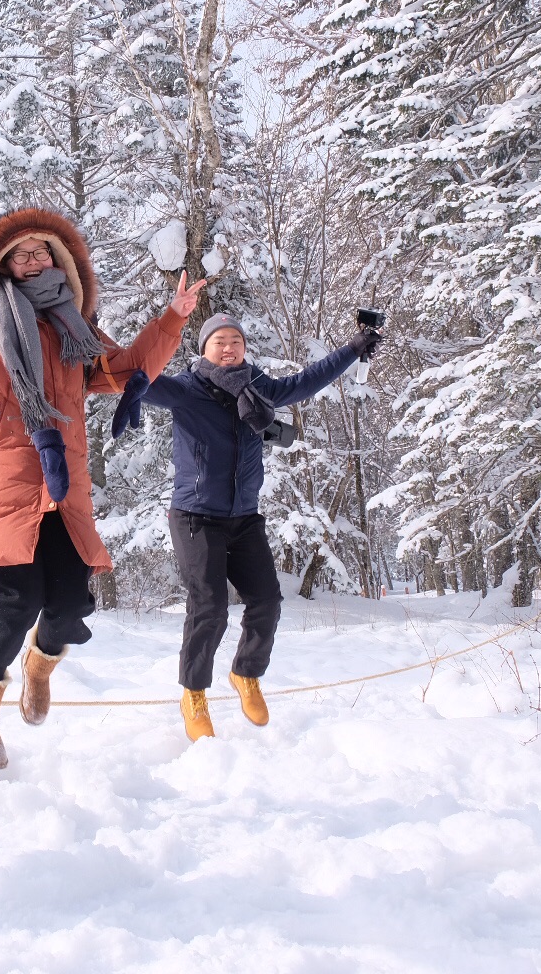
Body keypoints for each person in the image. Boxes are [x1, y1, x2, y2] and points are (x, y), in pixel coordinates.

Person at [0, 208, 206, 769]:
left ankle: (40, 666)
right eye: (22, 254)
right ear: (3, 266)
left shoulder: (74, 327)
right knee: (19, 598)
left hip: (66, 490)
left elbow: (126, 369)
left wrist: (173, 318)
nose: (34, 260)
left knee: (69, 602)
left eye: (42, 252)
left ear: (60, 262)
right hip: (7, 485)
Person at [120, 312, 382, 741]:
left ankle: (245, 674)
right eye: (219, 342)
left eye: (235, 342)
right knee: (210, 608)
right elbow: (136, 376)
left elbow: (308, 380)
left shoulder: (258, 388)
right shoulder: (186, 391)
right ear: (203, 349)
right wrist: (88, 335)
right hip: (195, 518)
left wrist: (353, 350)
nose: (228, 348)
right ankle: (193, 693)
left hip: (244, 517)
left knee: (267, 601)